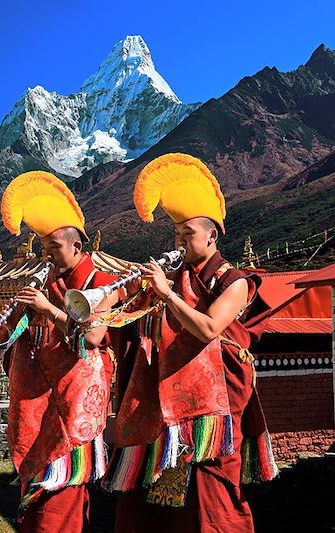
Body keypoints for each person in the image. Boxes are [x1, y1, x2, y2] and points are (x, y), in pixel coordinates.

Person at [105, 153, 277, 532]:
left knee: (211, 495)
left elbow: (209, 328)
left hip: (213, 409)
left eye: (188, 235)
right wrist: (134, 293)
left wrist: (167, 294)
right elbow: (119, 326)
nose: (180, 243)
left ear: (212, 235)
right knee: (152, 503)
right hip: (163, 400)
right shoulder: (172, 277)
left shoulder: (235, 281)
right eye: (176, 235)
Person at [0, 171, 120, 532]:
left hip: (77, 400)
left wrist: (50, 310)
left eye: (54, 248)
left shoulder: (103, 283)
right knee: (40, 494)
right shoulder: (48, 283)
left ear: (77, 248)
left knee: (63, 495)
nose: (47, 256)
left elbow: (95, 336)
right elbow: (26, 340)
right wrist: (15, 323)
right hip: (43, 401)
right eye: (44, 249)